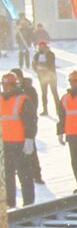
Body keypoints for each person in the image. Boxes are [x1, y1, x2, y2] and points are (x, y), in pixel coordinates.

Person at [1, 71, 37, 207]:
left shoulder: (23, 99)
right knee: (7, 175)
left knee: (24, 173)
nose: (6, 88)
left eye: (9, 85)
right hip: (5, 143)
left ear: (15, 85)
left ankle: (29, 203)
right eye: (4, 85)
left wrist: (29, 139)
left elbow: (30, 121)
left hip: (19, 142)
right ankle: (10, 203)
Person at [9, 69, 43, 185]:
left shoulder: (29, 90)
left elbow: (33, 107)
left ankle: (36, 174)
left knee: (31, 151)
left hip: (27, 126)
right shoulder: (11, 92)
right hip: (13, 129)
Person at [32, 39, 57, 115]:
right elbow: (34, 65)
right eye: (40, 46)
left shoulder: (50, 54)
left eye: (43, 46)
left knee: (54, 93)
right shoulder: (36, 55)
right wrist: (37, 70)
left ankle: (58, 109)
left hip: (51, 76)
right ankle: (45, 110)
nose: (42, 47)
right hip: (42, 77)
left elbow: (51, 64)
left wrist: (41, 66)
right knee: (44, 94)